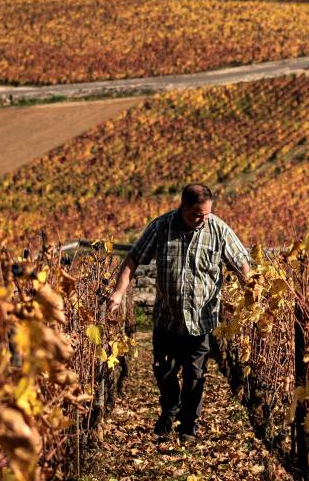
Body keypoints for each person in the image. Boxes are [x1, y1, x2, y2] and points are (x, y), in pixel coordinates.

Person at [108, 183, 251, 444]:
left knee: (195, 376)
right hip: (168, 320)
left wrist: (250, 291)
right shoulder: (161, 227)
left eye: (207, 214)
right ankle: (169, 410)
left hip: (201, 321)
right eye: (198, 214)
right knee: (164, 372)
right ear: (183, 207)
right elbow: (133, 259)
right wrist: (118, 292)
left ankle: (188, 427)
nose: (203, 219)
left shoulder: (217, 228)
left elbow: (241, 261)